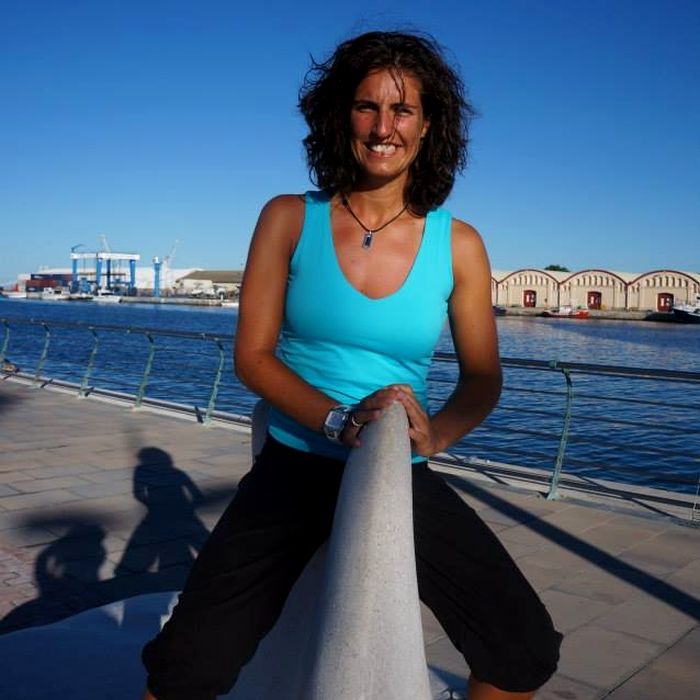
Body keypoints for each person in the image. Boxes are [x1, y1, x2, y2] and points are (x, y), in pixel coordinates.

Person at [142, 30, 562, 700]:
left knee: (522, 645)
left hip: (396, 471)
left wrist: (439, 433)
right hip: (296, 462)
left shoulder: (459, 244)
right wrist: (339, 421)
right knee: (189, 663)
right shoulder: (288, 218)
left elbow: (483, 376)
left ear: (429, 125)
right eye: (367, 106)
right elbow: (253, 357)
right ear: (341, 116)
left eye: (403, 110)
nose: (383, 127)